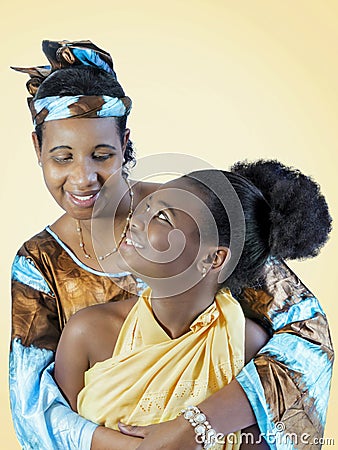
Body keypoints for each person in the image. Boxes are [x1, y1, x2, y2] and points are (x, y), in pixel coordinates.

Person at [10, 40, 334, 450]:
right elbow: (36, 410)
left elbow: (308, 340)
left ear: (125, 144)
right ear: (37, 149)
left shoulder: (199, 220)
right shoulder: (40, 264)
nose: (82, 178)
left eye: (102, 154)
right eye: (62, 158)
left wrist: (191, 427)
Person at [53, 161, 331, 450]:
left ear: (213, 259)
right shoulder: (86, 333)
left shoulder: (247, 348)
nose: (135, 221)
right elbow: (53, 440)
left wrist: (193, 429)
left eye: (162, 217)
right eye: (144, 208)